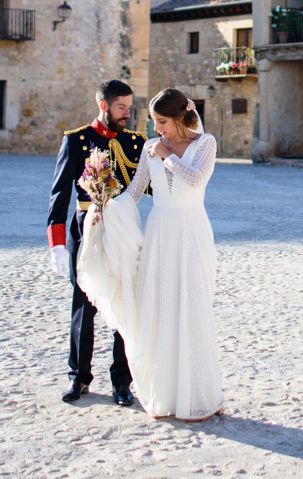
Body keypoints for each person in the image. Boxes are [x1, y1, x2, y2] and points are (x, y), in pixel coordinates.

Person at [77, 87, 223, 421]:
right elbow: (133, 193)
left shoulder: (206, 143)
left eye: (162, 122)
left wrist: (167, 156)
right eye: (154, 122)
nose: (157, 129)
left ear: (180, 118)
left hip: (192, 231)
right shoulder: (148, 148)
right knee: (160, 309)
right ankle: (167, 395)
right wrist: (105, 208)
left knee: (192, 307)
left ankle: (200, 396)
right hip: (159, 233)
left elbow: (196, 178)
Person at [47, 79, 146, 406]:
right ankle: (79, 376)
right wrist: (57, 244)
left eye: (129, 107)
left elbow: (150, 187)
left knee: (124, 299)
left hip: (123, 229)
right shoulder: (76, 140)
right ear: (103, 105)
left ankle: (122, 381)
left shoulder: (135, 142)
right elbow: (60, 194)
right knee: (83, 304)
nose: (127, 113)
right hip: (85, 228)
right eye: (121, 107)